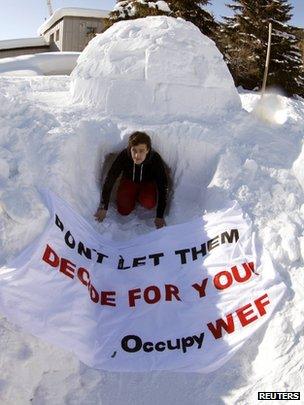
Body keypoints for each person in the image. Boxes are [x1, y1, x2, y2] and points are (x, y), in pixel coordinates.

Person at [94, 131, 168, 229]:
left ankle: (140, 196)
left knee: (149, 203)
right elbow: (110, 178)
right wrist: (104, 206)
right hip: (129, 182)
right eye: (134, 150)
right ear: (130, 148)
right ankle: (131, 196)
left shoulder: (155, 159)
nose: (137, 155)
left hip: (147, 183)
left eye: (141, 151)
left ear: (147, 150)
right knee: (123, 210)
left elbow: (162, 185)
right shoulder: (125, 155)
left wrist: (160, 215)